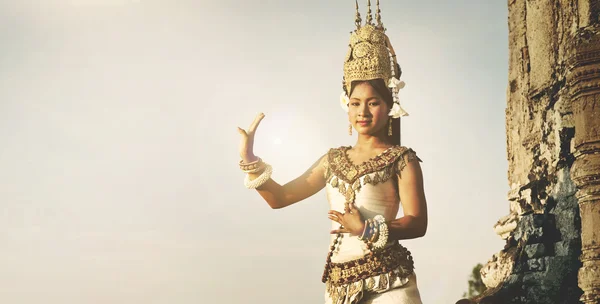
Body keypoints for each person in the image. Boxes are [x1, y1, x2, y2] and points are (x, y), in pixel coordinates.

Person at [237, 1, 427, 303]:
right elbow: (280, 198)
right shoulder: (332, 160)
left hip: (390, 284)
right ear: (346, 105)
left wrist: (366, 229)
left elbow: (417, 223)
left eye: (373, 102)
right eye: (355, 103)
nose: (362, 111)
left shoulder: (402, 159)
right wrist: (250, 161)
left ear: (389, 106)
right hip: (339, 289)